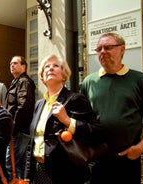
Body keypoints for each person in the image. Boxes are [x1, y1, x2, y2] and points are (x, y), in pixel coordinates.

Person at [80, 32, 143, 184]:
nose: (102, 52)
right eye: (99, 49)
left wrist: (140, 147)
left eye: (108, 47)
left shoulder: (140, 80)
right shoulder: (88, 82)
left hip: (127, 159)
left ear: (122, 49)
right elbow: (82, 120)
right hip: (96, 158)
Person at [24, 54, 106, 183]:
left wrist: (67, 120)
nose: (50, 68)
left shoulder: (75, 99)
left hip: (65, 173)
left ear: (64, 75)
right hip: (39, 170)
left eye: (56, 66)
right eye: (46, 67)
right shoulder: (39, 104)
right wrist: (27, 175)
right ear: (42, 77)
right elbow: (32, 142)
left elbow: (97, 132)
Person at [5, 55, 36, 180]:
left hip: (18, 131)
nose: (12, 65)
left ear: (24, 66)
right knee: (19, 164)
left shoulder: (24, 81)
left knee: (10, 164)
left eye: (16, 63)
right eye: (11, 63)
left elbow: (23, 106)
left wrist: (13, 127)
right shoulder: (16, 81)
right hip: (18, 130)